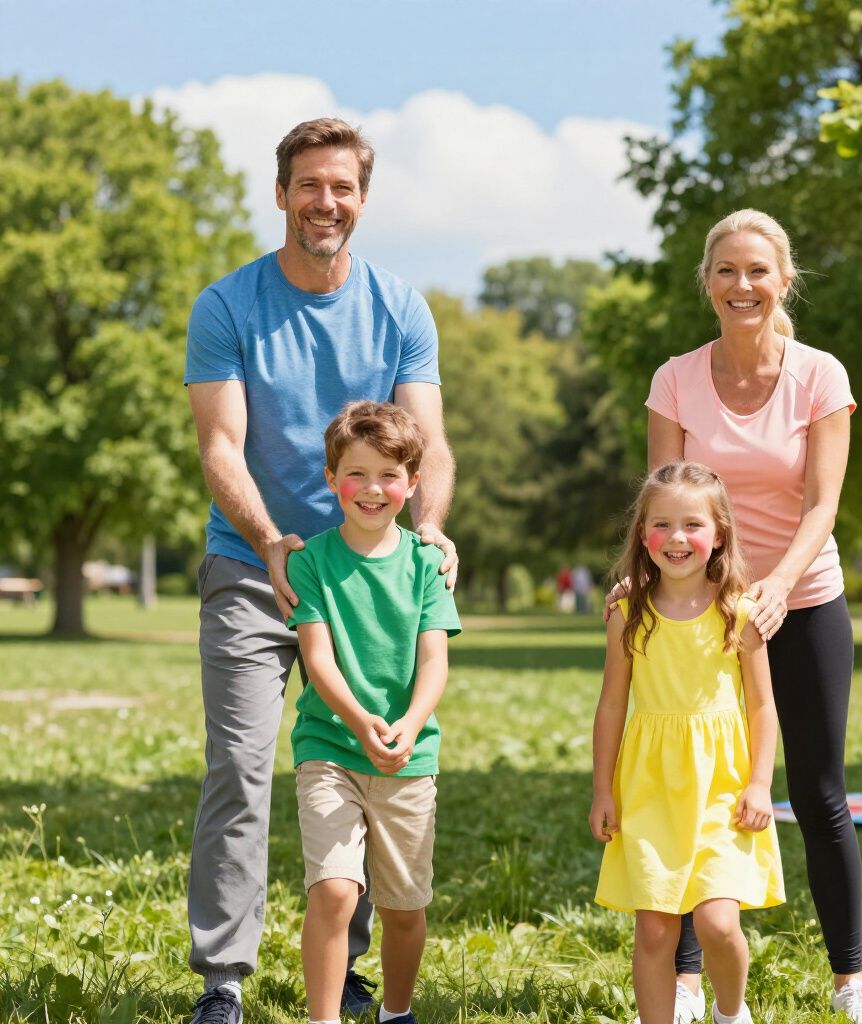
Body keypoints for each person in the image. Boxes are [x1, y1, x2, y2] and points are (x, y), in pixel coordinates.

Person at [184, 117, 457, 1024]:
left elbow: (430, 448)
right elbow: (221, 447)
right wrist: (269, 539)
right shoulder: (227, 306)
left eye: (342, 187)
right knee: (240, 764)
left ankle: (346, 968)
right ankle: (225, 978)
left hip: (368, 574)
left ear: (363, 199)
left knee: (370, 748)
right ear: (282, 194)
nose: (325, 202)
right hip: (255, 566)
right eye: (309, 185)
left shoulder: (400, 307)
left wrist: (431, 532)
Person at [641, 209, 862, 1023]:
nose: (741, 286)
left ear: (784, 281)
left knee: (818, 793)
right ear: (707, 283)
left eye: (758, 272)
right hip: (699, 613)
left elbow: (822, 501)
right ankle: (682, 984)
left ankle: (849, 981)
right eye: (726, 272)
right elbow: (665, 501)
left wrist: (776, 585)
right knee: (689, 790)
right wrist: (648, 589)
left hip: (803, 597)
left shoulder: (820, 376)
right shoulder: (675, 378)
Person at [590, 461, 784, 1024]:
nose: (677, 538)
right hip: (649, 786)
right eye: (662, 525)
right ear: (642, 535)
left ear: (719, 533)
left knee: (719, 923)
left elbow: (762, 706)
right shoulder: (627, 614)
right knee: (653, 928)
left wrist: (760, 782)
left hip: (723, 787)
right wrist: (603, 789)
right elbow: (610, 706)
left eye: (693, 525)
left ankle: (729, 1012)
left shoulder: (740, 612)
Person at [288, 400, 461, 1024]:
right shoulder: (310, 562)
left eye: (389, 475)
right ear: (332, 479)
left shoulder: (425, 565)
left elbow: (434, 663)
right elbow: (318, 658)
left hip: (408, 757)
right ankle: (323, 1017)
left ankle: (396, 1011)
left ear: (412, 485)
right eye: (356, 474)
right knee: (334, 891)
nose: (372, 489)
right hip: (330, 748)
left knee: (404, 911)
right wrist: (362, 723)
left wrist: (409, 726)